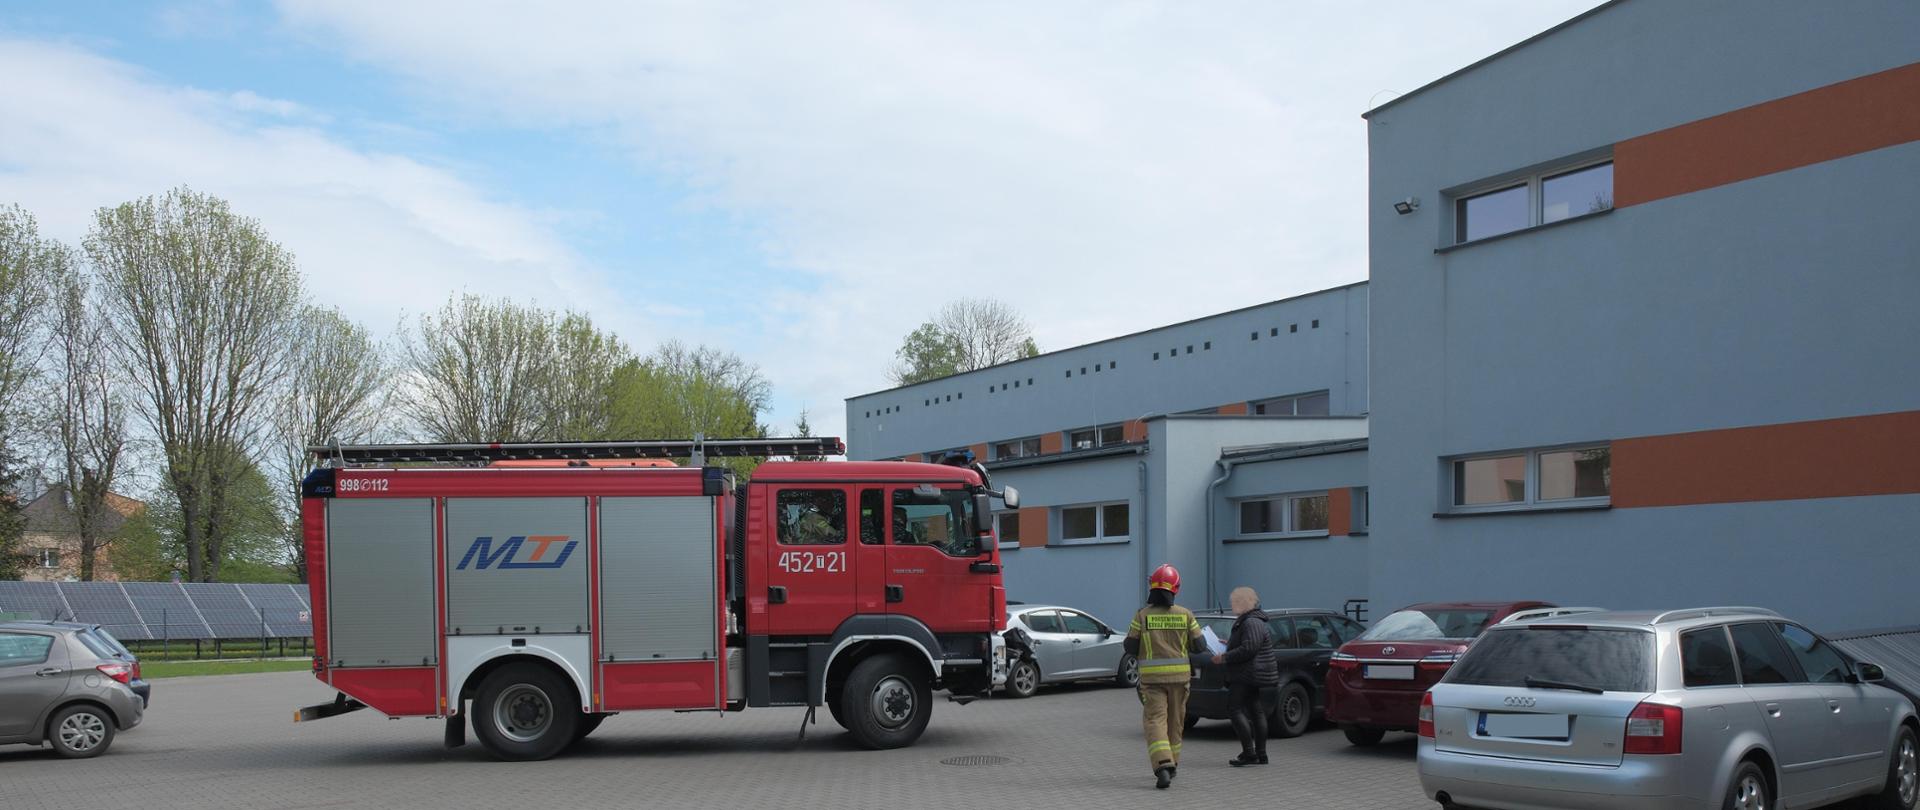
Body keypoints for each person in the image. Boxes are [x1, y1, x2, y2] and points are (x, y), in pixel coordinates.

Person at [1124, 563, 1204, 789]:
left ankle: (1162, 766)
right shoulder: (1186, 615)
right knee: (1176, 723)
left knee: (1155, 721)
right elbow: (1200, 646)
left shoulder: (1142, 615)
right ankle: (1173, 764)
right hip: (1180, 680)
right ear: (1175, 588)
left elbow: (1130, 647)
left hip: (1152, 682)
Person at [1212, 586, 1278, 766]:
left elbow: (1249, 648)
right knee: (1256, 711)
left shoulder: (1251, 622)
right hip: (1251, 673)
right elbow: (1248, 643)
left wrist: (1224, 657)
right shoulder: (1251, 620)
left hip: (1247, 674)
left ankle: (1250, 753)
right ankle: (1260, 754)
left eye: (1234, 601)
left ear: (1244, 602)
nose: (1232, 605)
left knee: (1234, 709)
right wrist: (1229, 644)